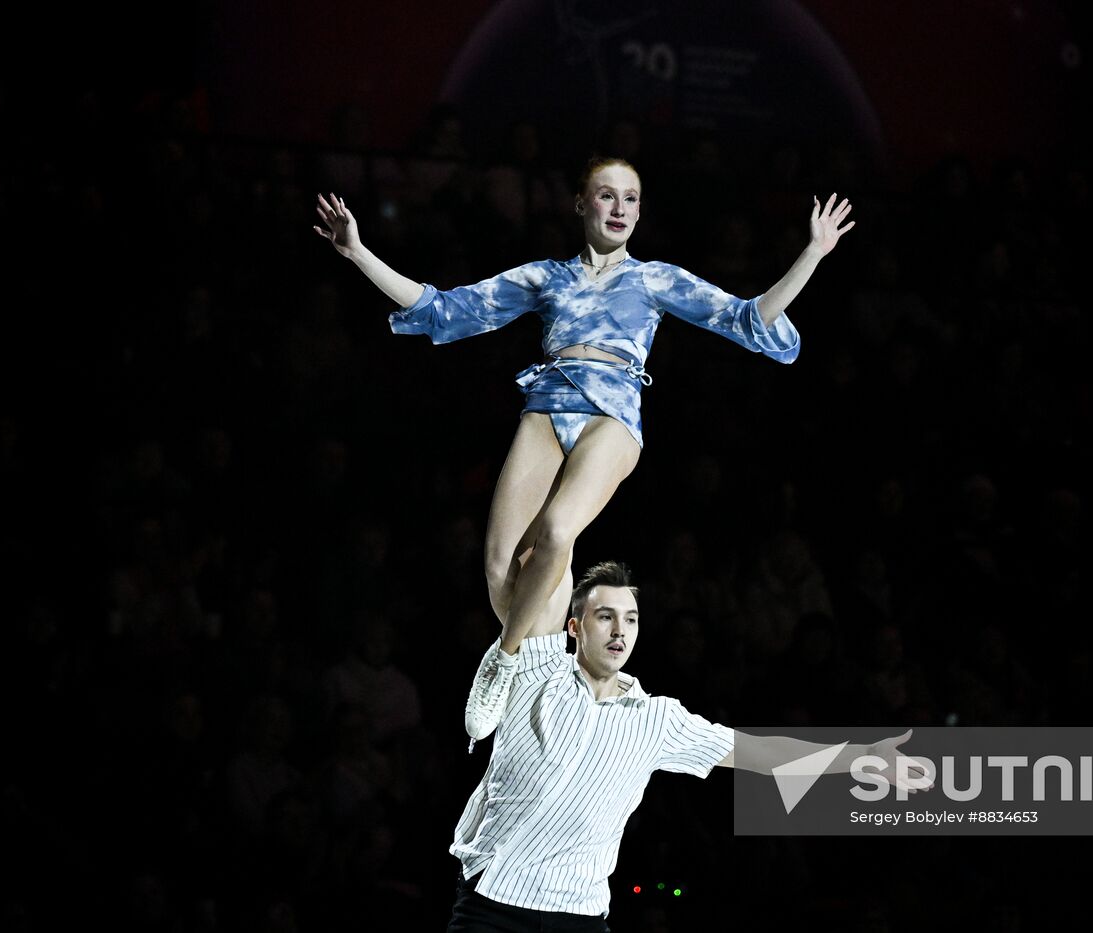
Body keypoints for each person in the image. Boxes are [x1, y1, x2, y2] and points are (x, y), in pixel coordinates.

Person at [313, 157, 855, 742]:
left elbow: (749, 318)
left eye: (631, 199)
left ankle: (503, 660)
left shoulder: (654, 280)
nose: (620, 208)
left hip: (614, 412)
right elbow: (447, 309)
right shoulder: (547, 277)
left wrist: (813, 253)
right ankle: (552, 681)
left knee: (555, 534)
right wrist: (357, 252)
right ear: (581, 203)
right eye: (607, 196)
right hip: (547, 404)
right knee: (502, 571)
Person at [443, 560, 915, 929]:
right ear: (574, 627)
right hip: (492, 902)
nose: (618, 630)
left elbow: (762, 755)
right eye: (605, 616)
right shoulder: (541, 673)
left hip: (578, 914)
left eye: (630, 619)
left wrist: (864, 757)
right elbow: (541, 557)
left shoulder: (660, 719)